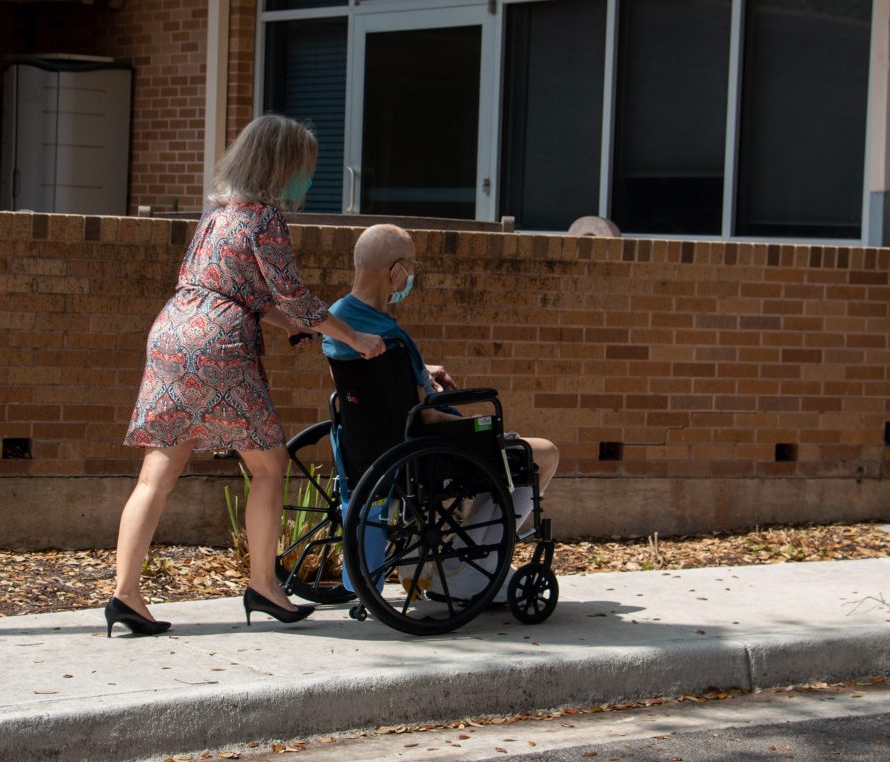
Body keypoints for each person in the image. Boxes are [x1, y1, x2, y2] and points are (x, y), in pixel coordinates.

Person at [107, 114, 386, 637]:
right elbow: (294, 295)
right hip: (220, 346)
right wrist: (356, 337)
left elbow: (243, 293)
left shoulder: (215, 215)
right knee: (269, 466)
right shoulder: (264, 220)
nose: (307, 178)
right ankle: (263, 585)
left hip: (172, 332)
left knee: (158, 472)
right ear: (281, 167)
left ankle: (125, 594)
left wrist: (288, 327)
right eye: (303, 168)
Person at [321, 224, 558, 603]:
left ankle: (456, 563)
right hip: (423, 447)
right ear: (395, 273)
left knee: (506, 449)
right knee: (542, 452)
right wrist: (477, 427)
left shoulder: (339, 323)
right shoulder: (392, 337)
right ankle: (470, 567)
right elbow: (426, 416)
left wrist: (421, 371)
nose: (411, 275)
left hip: (368, 447)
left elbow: (375, 386)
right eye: (411, 266)